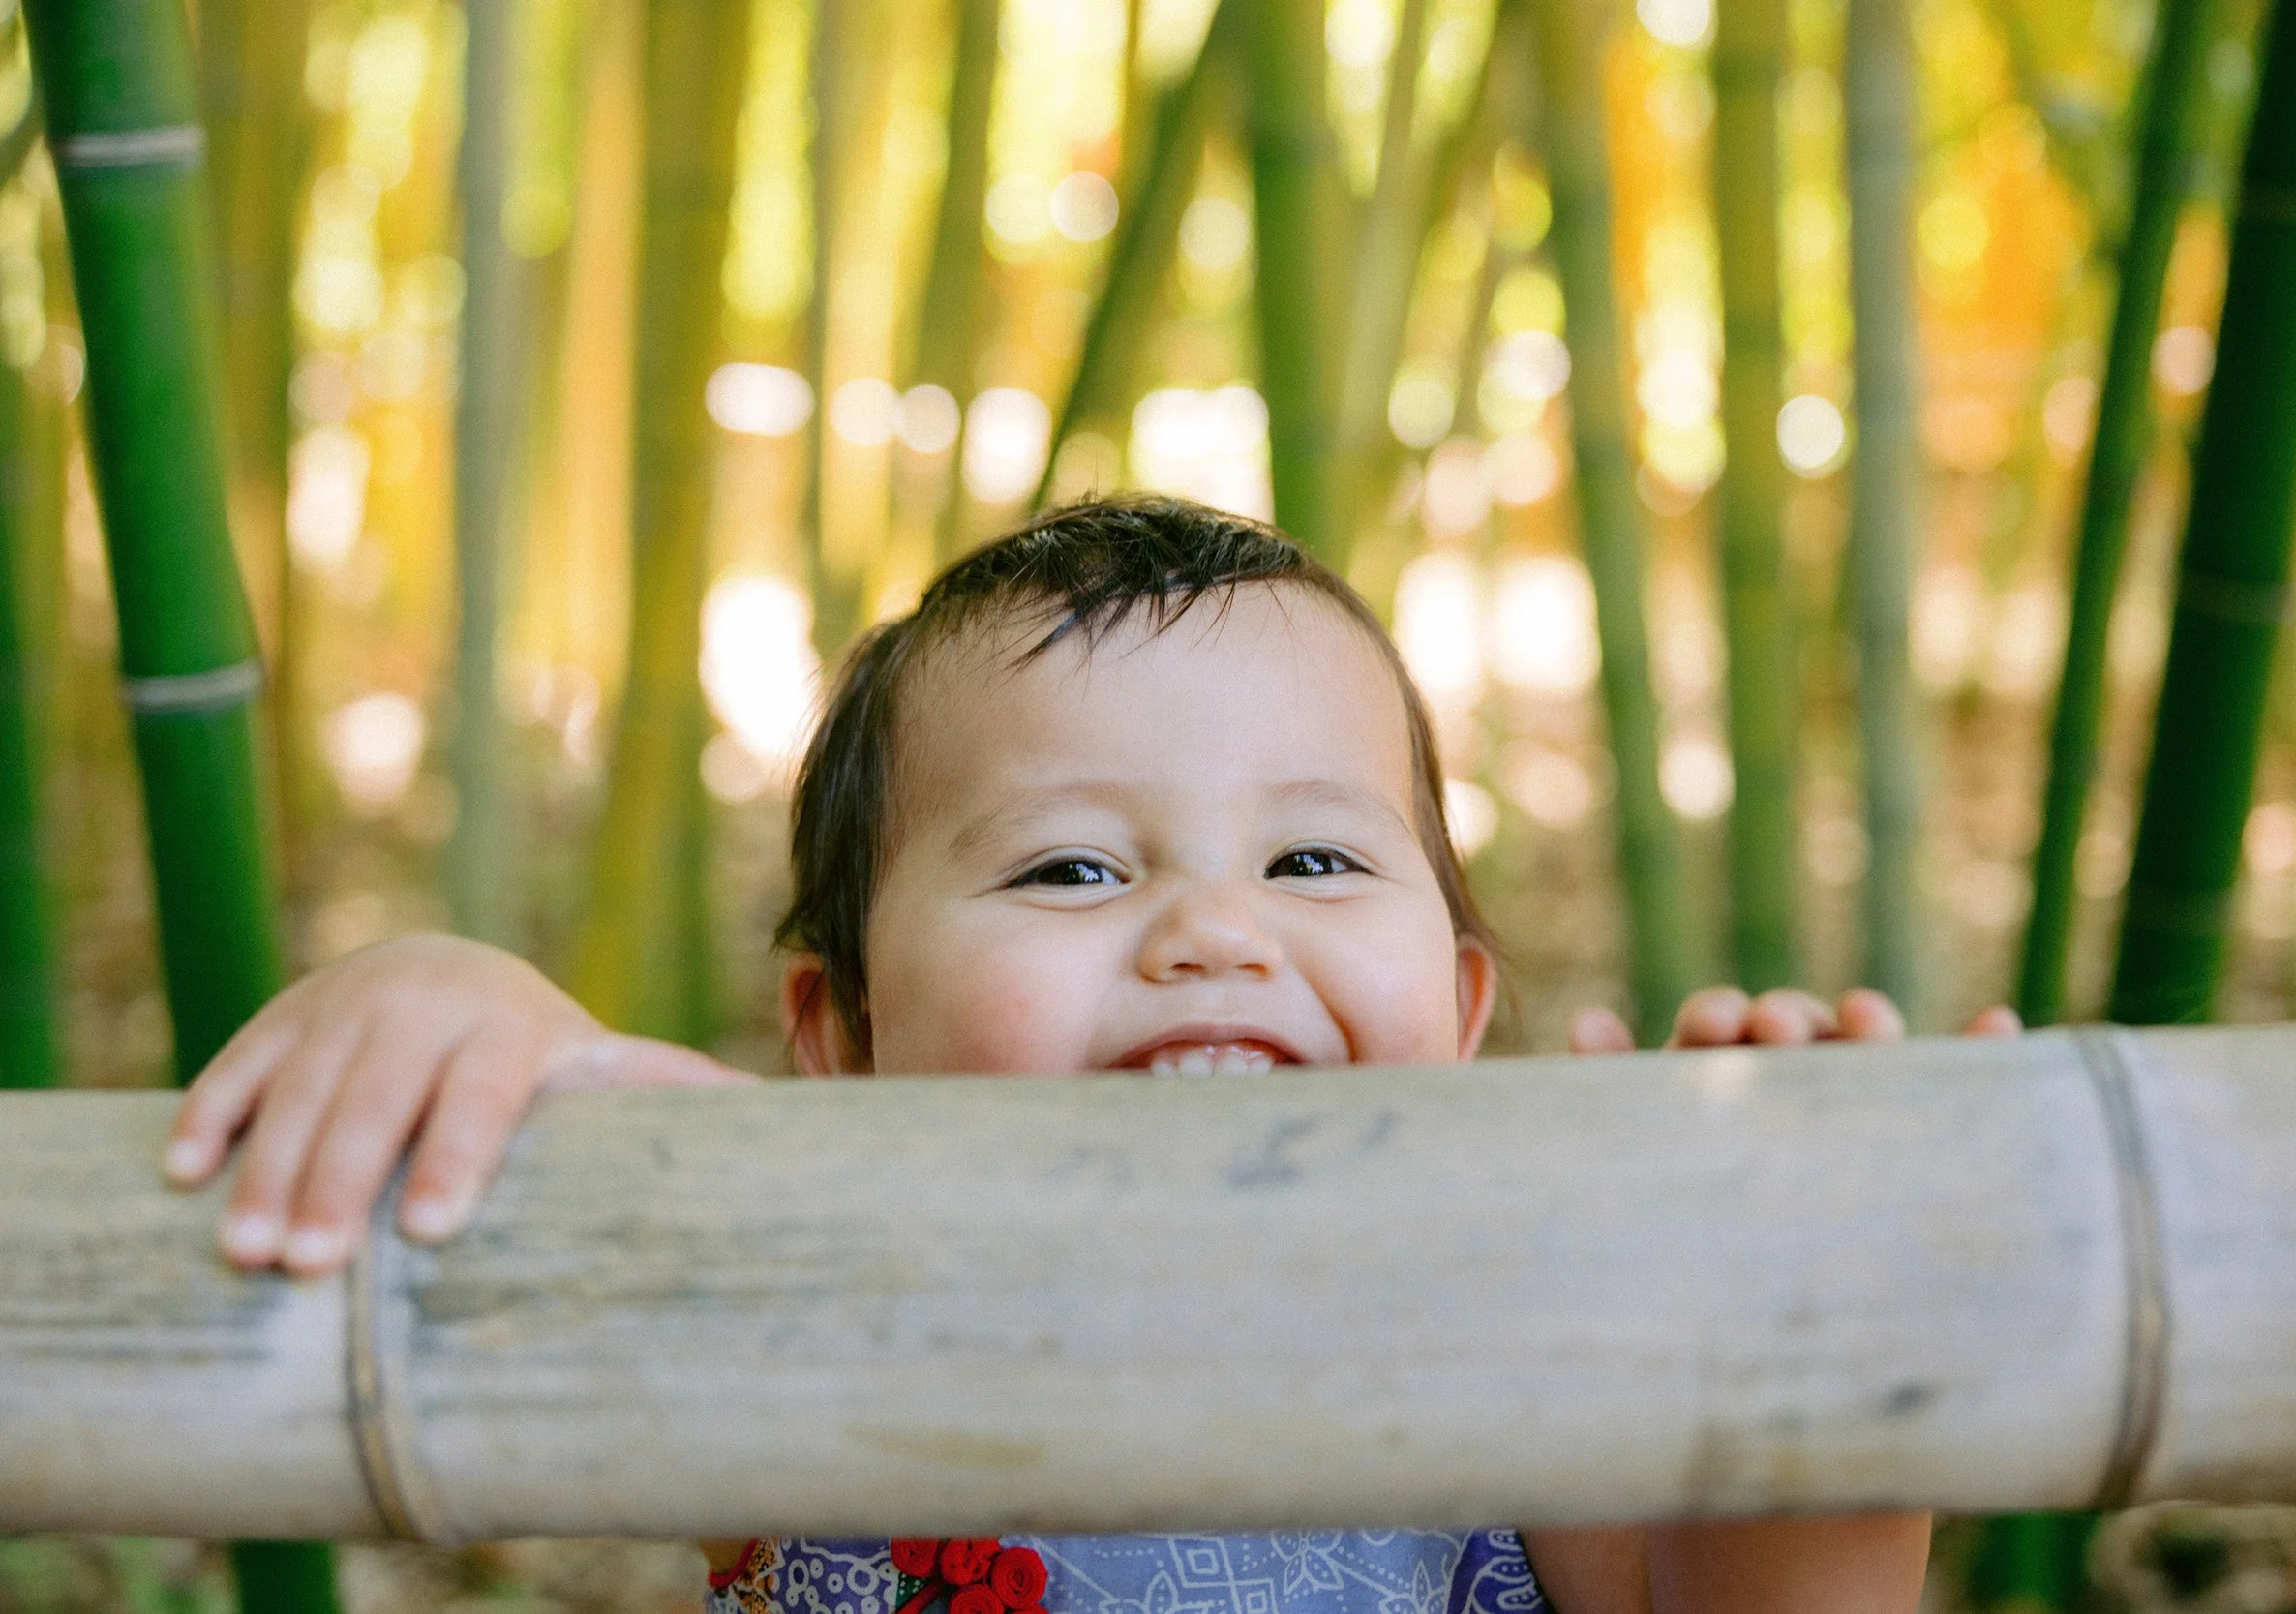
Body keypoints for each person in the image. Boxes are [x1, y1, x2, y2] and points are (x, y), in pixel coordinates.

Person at [165, 496, 2019, 1613]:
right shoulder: (807, 1313)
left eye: (1312, 857)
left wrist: (1819, 1275)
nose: (1213, 928)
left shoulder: (1537, 1366)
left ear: (1462, 1018)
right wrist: (452, 993)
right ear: (845, 1039)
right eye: (1071, 866)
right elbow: (580, 1131)